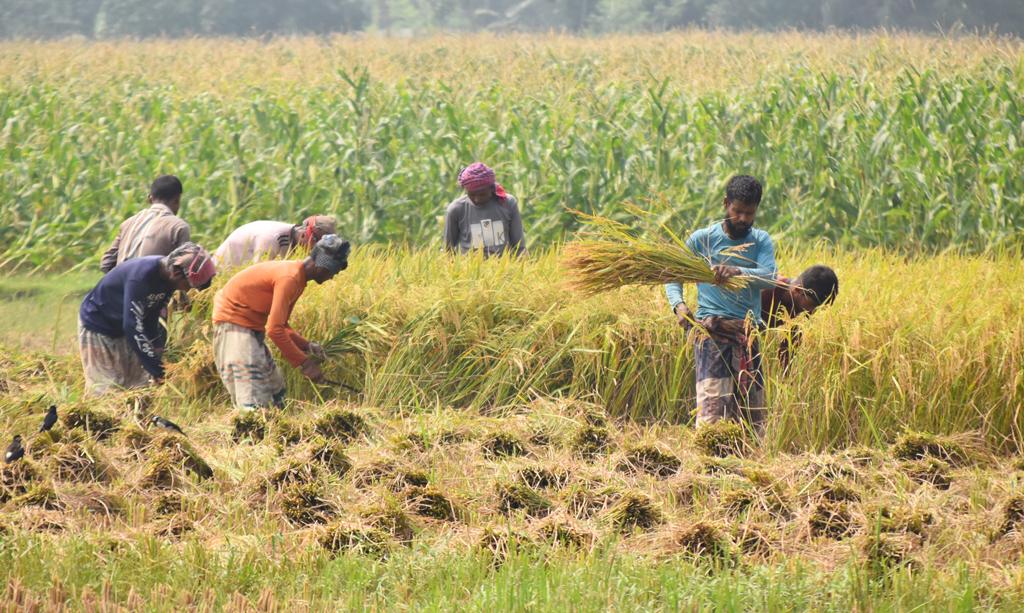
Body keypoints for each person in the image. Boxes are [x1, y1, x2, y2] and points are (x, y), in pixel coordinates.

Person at [665, 175, 777, 433]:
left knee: (752, 413)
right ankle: (709, 462)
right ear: (726, 204)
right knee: (712, 411)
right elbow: (672, 274)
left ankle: (749, 466)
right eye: (737, 211)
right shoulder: (701, 240)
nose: (743, 219)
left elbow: (770, 278)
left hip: (747, 334)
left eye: (749, 213)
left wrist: (737, 271)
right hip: (712, 333)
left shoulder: (760, 241)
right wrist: (678, 305)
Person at [211, 234, 350, 410]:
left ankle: (271, 431)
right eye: (333, 271)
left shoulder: (298, 279)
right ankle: (253, 433)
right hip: (234, 325)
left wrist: (307, 346)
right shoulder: (290, 278)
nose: (332, 277)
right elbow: (274, 330)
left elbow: (282, 325)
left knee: (274, 386)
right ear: (322, 266)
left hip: (250, 327)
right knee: (253, 395)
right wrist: (305, 363)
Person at [79, 243, 216, 396]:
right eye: (188, 285)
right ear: (177, 272)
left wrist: (157, 347)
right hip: (99, 324)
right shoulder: (141, 277)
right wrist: (156, 368)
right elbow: (132, 324)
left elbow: (152, 313)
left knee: (136, 387)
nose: (187, 290)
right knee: (104, 389)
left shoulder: (168, 280)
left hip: (125, 328)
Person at [100, 175, 191, 273]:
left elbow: (106, 263)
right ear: (177, 200)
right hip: (153, 287)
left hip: (120, 285)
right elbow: (183, 269)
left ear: (150, 198)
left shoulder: (127, 223)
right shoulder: (179, 226)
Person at [761, 265, 839, 368]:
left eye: (820, 308)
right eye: (813, 305)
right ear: (797, 290)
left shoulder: (803, 308)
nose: (813, 311)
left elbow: (788, 350)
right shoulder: (764, 290)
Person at [443, 162, 526, 256]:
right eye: (472, 194)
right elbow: (447, 250)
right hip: (469, 268)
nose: (477, 199)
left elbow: (520, 247)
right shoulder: (456, 209)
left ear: (491, 188)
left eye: (482, 194)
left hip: (503, 267)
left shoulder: (508, 203)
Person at [213, 215, 337, 268]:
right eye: (317, 247)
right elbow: (258, 275)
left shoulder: (293, 239)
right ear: (305, 235)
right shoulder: (272, 239)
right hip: (220, 276)